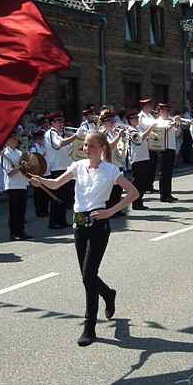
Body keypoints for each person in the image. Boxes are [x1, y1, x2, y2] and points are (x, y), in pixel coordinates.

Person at [29, 131, 139, 346]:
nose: (86, 149)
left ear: (101, 147)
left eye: (90, 145)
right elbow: (55, 184)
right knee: (87, 275)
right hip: (79, 225)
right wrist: (39, 180)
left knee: (88, 276)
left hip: (99, 224)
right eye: (85, 145)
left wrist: (110, 211)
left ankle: (90, 327)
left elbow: (133, 193)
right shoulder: (77, 167)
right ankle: (108, 293)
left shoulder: (111, 170)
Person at [44, 112, 79, 229]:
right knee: (57, 197)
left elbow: (69, 149)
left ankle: (62, 220)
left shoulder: (61, 134)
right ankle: (53, 222)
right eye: (57, 121)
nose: (61, 123)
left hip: (66, 168)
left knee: (65, 197)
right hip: (56, 168)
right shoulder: (51, 133)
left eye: (61, 121)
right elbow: (58, 145)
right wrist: (76, 136)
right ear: (52, 123)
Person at [0, 132, 31, 240]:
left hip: (22, 184)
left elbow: (26, 168)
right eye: (12, 139)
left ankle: (21, 231)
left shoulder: (19, 152)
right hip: (12, 186)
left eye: (16, 139)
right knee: (14, 211)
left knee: (22, 210)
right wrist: (21, 166)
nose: (15, 141)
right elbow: (10, 172)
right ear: (7, 141)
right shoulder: (4, 154)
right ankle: (13, 233)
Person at [127, 109, 154, 210]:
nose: (137, 119)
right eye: (134, 118)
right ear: (130, 120)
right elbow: (139, 139)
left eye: (137, 118)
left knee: (144, 181)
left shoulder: (139, 128)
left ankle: (139, 201)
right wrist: (151, 128)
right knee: (138, 182)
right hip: (137, 159)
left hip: (144, 157)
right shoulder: (130, 130)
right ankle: (136, 202)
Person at [155, 103, 180, 202]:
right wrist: (172, 124)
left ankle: (168, 193)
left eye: (167, 111)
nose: (166, 112)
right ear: (160, 111)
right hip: (163, 149)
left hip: (171, 147)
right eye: (164, 110)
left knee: (169, 172)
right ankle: (163, 195)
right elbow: (161, 132)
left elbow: (177, 134)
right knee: (163, 173)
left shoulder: (170, 120)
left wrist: (177, 125)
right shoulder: (158, 121)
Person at [138, 98, 159, 194]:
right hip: (145, 144)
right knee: (148, 166)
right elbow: (147, 127)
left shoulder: (150, 115)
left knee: (153, 165)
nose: (151, 108)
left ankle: (150, 185)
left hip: (153, 143)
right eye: (149, 106)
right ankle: (146, 186)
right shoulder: (140, 117)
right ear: (145, 107)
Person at [29, 128, 50, 217]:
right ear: (36, 139)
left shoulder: (44, 146)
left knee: (45, 193)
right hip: (38, 173)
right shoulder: (34, 149)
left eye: (42, 138)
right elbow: (33, 161)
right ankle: (39, 210)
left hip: (47, 172)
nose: (42, 140)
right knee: (38, 194)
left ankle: (45, 209)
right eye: (40, 139)